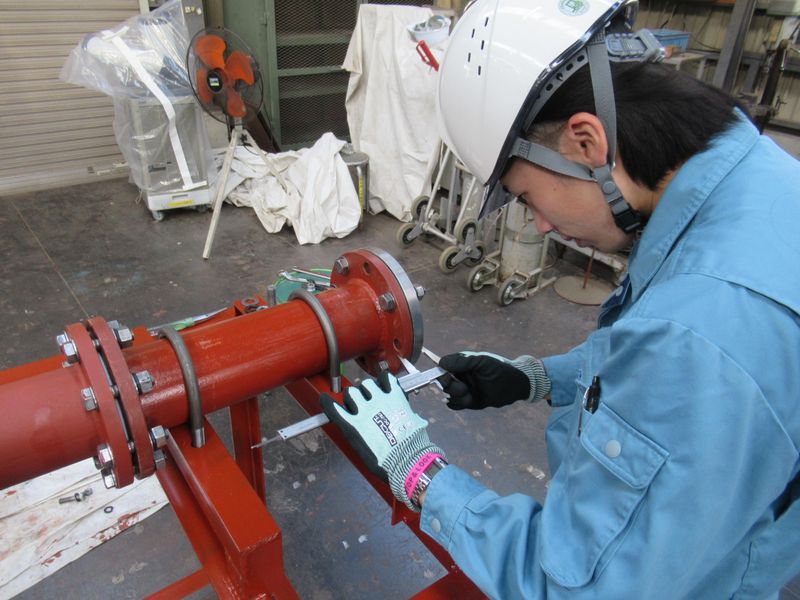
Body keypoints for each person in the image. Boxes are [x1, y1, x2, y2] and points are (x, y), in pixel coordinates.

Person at [320, 0, 800, 597]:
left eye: (526, 196)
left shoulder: (700, 333)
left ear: (585, 141)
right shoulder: (758, 182)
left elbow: (571, 588)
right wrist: (538, 379)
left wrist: (417, 471)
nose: (541, 225)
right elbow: (654, 370)